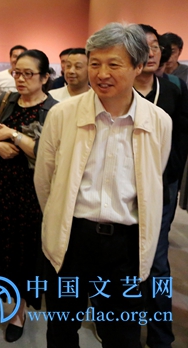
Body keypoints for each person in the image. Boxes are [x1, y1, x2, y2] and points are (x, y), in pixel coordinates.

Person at [35, 23, 173, 348]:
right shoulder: (62, 115)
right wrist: (59, 217)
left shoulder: (158, 122)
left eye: (114, 64)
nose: (102, 74)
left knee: (122, 335)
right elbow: (45, 181)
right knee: (61, 330)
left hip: (124, 246)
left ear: (138, 66)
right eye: (95, 63)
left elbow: (153, 181)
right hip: (70, 240)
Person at [0, 49, 58, 342]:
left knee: (23, 251)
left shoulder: (54, 110)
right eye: (17, 72)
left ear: (44, 77)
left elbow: (48, 153)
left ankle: (18, 312)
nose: (20, 79)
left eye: (28, 74)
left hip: (31, 195)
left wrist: (13, 136)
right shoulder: (7, 101)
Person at [135, 24, 188, 348]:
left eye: (155, 46)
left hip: (162, 185)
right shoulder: (117, 89)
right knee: (123, 259)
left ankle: (160, 336)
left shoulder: (174, 88)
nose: (151, 52)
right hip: (123, 187)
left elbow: (182, 135)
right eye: (143, 47)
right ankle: (122, 326)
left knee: (157, 260)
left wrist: (169, 173)